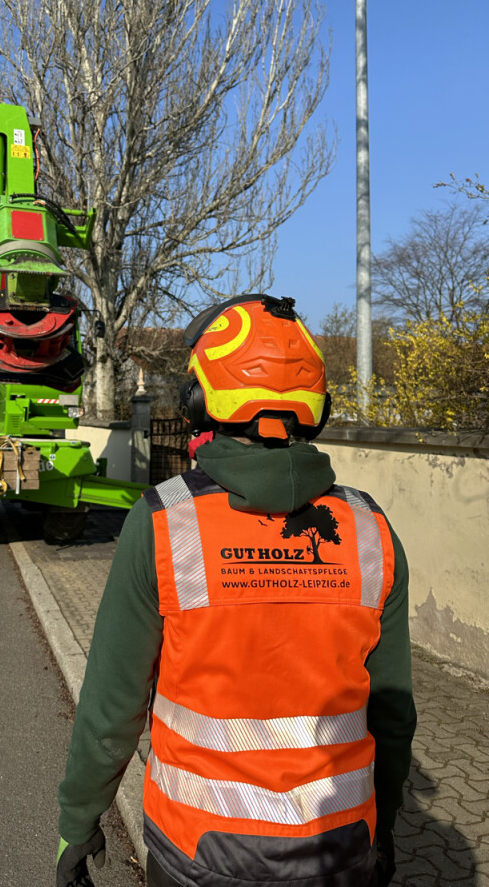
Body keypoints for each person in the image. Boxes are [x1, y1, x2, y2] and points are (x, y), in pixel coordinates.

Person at [56, 295, 416, 887]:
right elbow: (394, 714)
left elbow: (111, 710)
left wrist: (80, 819)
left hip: (196, 850)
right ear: (317, 408)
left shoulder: (162, 525)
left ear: (200, 401)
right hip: (341, 848)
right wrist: (389, 824)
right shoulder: (371, 532)